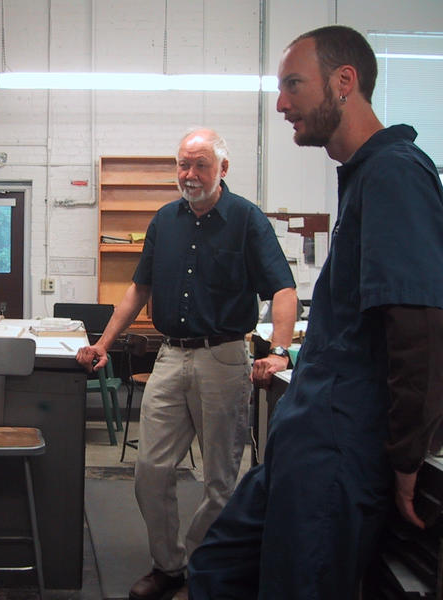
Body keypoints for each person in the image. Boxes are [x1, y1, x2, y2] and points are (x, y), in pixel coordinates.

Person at [189, 25, 443, 599]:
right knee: (217, 567)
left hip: (337, 448)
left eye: (293, 85)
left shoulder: (396, 172)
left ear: (343, 81)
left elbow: (420, 330)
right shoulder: (363, 176)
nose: (281, 103)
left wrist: (407, 457)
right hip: (305, 436)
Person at [76, 127, 297, 600]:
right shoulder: (164, 221)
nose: (189, 174)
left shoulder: (247, 219)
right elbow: (139, 288)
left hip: (224, 358)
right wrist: (103, 344)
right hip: (170, 355)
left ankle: (201, 566)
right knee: (150, 471)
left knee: (221, 480)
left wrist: (279, 350)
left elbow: (282, 288)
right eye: (183, 164)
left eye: (200, 164)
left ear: (223, 169)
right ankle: (169, 566)